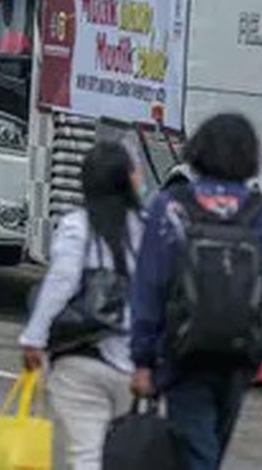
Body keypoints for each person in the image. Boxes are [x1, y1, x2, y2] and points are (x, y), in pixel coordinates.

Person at [130, 113, 262, 470]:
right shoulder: (256, 212)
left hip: (181, 355)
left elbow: (150, 285)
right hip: (239, 354)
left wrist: (142, 357)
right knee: (209, 448)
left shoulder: (172, 207)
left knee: (195, 450)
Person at [20, 141, 142, 470]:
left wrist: (34, 338)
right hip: (132, 362)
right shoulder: (146, 229)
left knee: (85, 455)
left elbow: (61, 281)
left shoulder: (77, 225)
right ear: (128, 180)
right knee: (118, 454)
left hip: (79, 359)